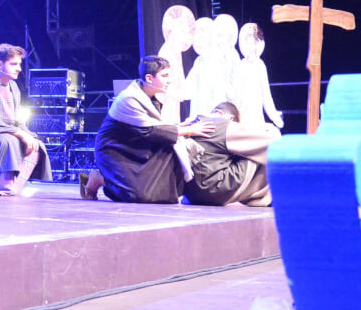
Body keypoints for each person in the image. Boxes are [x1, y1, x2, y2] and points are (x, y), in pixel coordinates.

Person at [82, 56, 275, 206]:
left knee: (156, 194)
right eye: (165, 76)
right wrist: (189, 130)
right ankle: (99, 179)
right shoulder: (129, 99)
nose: (169, 80)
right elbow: (151, 130)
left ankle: (106, 181)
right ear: (149, 78)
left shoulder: (152, 98)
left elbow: (159, 127)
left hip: (137, 146)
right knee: (138, 194)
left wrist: (185, 128)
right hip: (115, 149)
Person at [0, 43, 52, 195]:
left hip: (8, 132)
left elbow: (18, 121)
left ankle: (12, 186)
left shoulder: (13, 86)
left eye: (19, 64)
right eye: (13, 64)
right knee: (9, 141)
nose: (19, 68)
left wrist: (27, 134)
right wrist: (18, 133)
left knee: (36, 144)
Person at [229, 22, 284, 132]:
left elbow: (266, 94)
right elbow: (235, 94)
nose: (251, 47)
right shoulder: (240, 65)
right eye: (248, 43)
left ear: (258, 44)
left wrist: (274, 115)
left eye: (253, 43)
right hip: (242, 113)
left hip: (256, 112)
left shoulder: (260, 65)